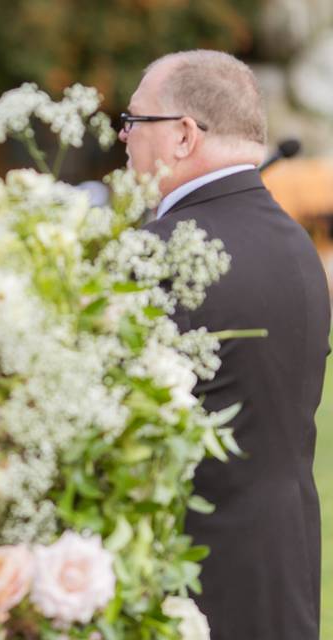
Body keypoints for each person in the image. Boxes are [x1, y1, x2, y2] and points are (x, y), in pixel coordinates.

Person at [122, 50, 330, 638]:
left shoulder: (159, 250)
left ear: (184, 135)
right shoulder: (296, 245)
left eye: (135, 120)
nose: (123, 134)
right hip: (284, 562)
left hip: (185, 577)